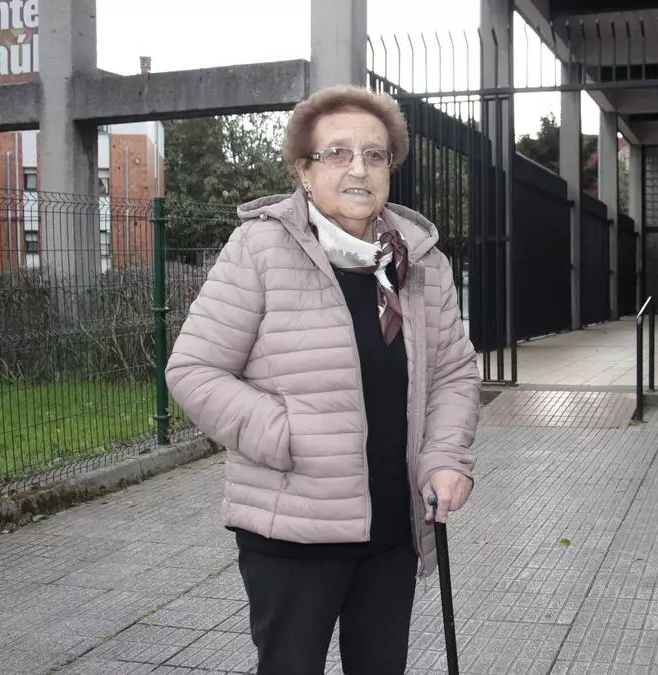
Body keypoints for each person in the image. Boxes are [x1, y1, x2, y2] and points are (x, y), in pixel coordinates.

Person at [164, 84, 480, 675]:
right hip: (293, 532)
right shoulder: (260, 249)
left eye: (375, 154)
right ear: (304, 171)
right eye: (336, 153)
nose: (358, 168)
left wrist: (445, 458)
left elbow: (455, 373)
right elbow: (193, 370)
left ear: (390, 169)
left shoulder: (420, 260)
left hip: (393, 528)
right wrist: (288, 436)